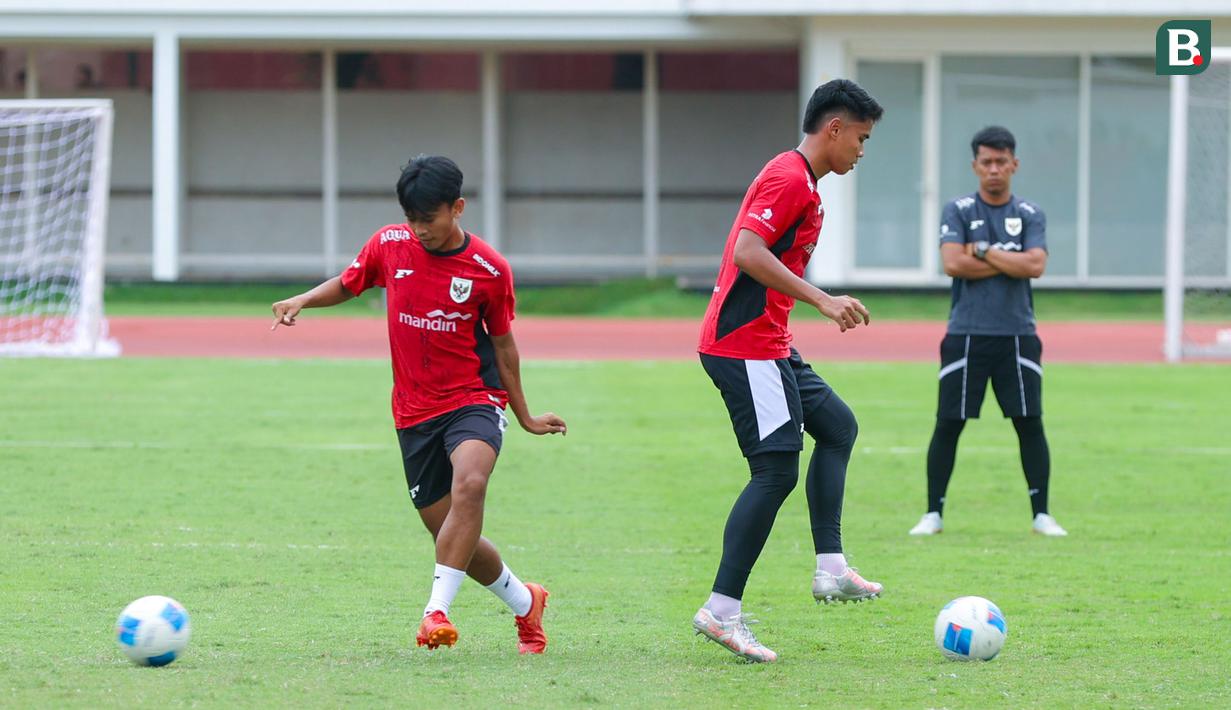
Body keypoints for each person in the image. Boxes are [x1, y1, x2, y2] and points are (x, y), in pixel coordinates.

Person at [271, 155, 567, 653]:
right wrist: (303, 299)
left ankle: (435, 613)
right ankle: (526, 601)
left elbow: (504, 347)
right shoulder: (390, 244)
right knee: (453, 536)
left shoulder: (489, 270)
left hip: (474, 399)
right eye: (411, 218)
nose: (419, 229)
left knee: (470, 483)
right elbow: (349, 282)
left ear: (457, 208)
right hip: (413, 413)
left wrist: (525, 416)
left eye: (428, 219)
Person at [692, 79, 885, 664]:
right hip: (745, 346)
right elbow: (748, 251)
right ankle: (721, 610)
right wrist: (823, 299)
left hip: (769, 344)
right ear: (834, 128)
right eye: (861, 137)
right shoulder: (789, 177)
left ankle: (831, 568)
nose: (862, 150)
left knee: (838, 427)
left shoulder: (803, 180)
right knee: (775, 473)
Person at [908, 126, 1067, 538]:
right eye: (987, 162)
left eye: (1001, 162)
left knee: (1029, 423)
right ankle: (933, 513)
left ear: (1014, 165)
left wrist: (980, 250)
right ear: (975, 166)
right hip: (966, 333)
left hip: (1018, 334)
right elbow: (952, 264)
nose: (994, 169)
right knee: (949, 423)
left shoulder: (1029, 213)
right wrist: (1009, 261)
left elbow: (1035, 266)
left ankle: (1042, 515)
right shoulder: (958, 210)